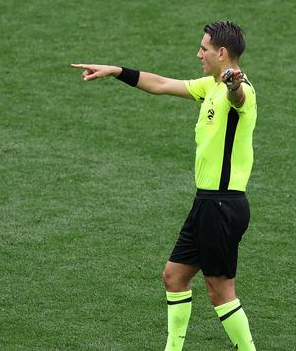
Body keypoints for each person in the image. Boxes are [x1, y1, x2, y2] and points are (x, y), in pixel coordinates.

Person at [71, 21, 257, 351]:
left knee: (220, 291)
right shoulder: (209, 86)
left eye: (204, 48)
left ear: (222, 53)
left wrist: (233, 85)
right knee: (174, 276)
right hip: (206, 203)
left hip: (223, 205)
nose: (198, 53)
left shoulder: (239, 90)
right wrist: (115, 70)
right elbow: (159, 84)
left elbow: (239, 98)